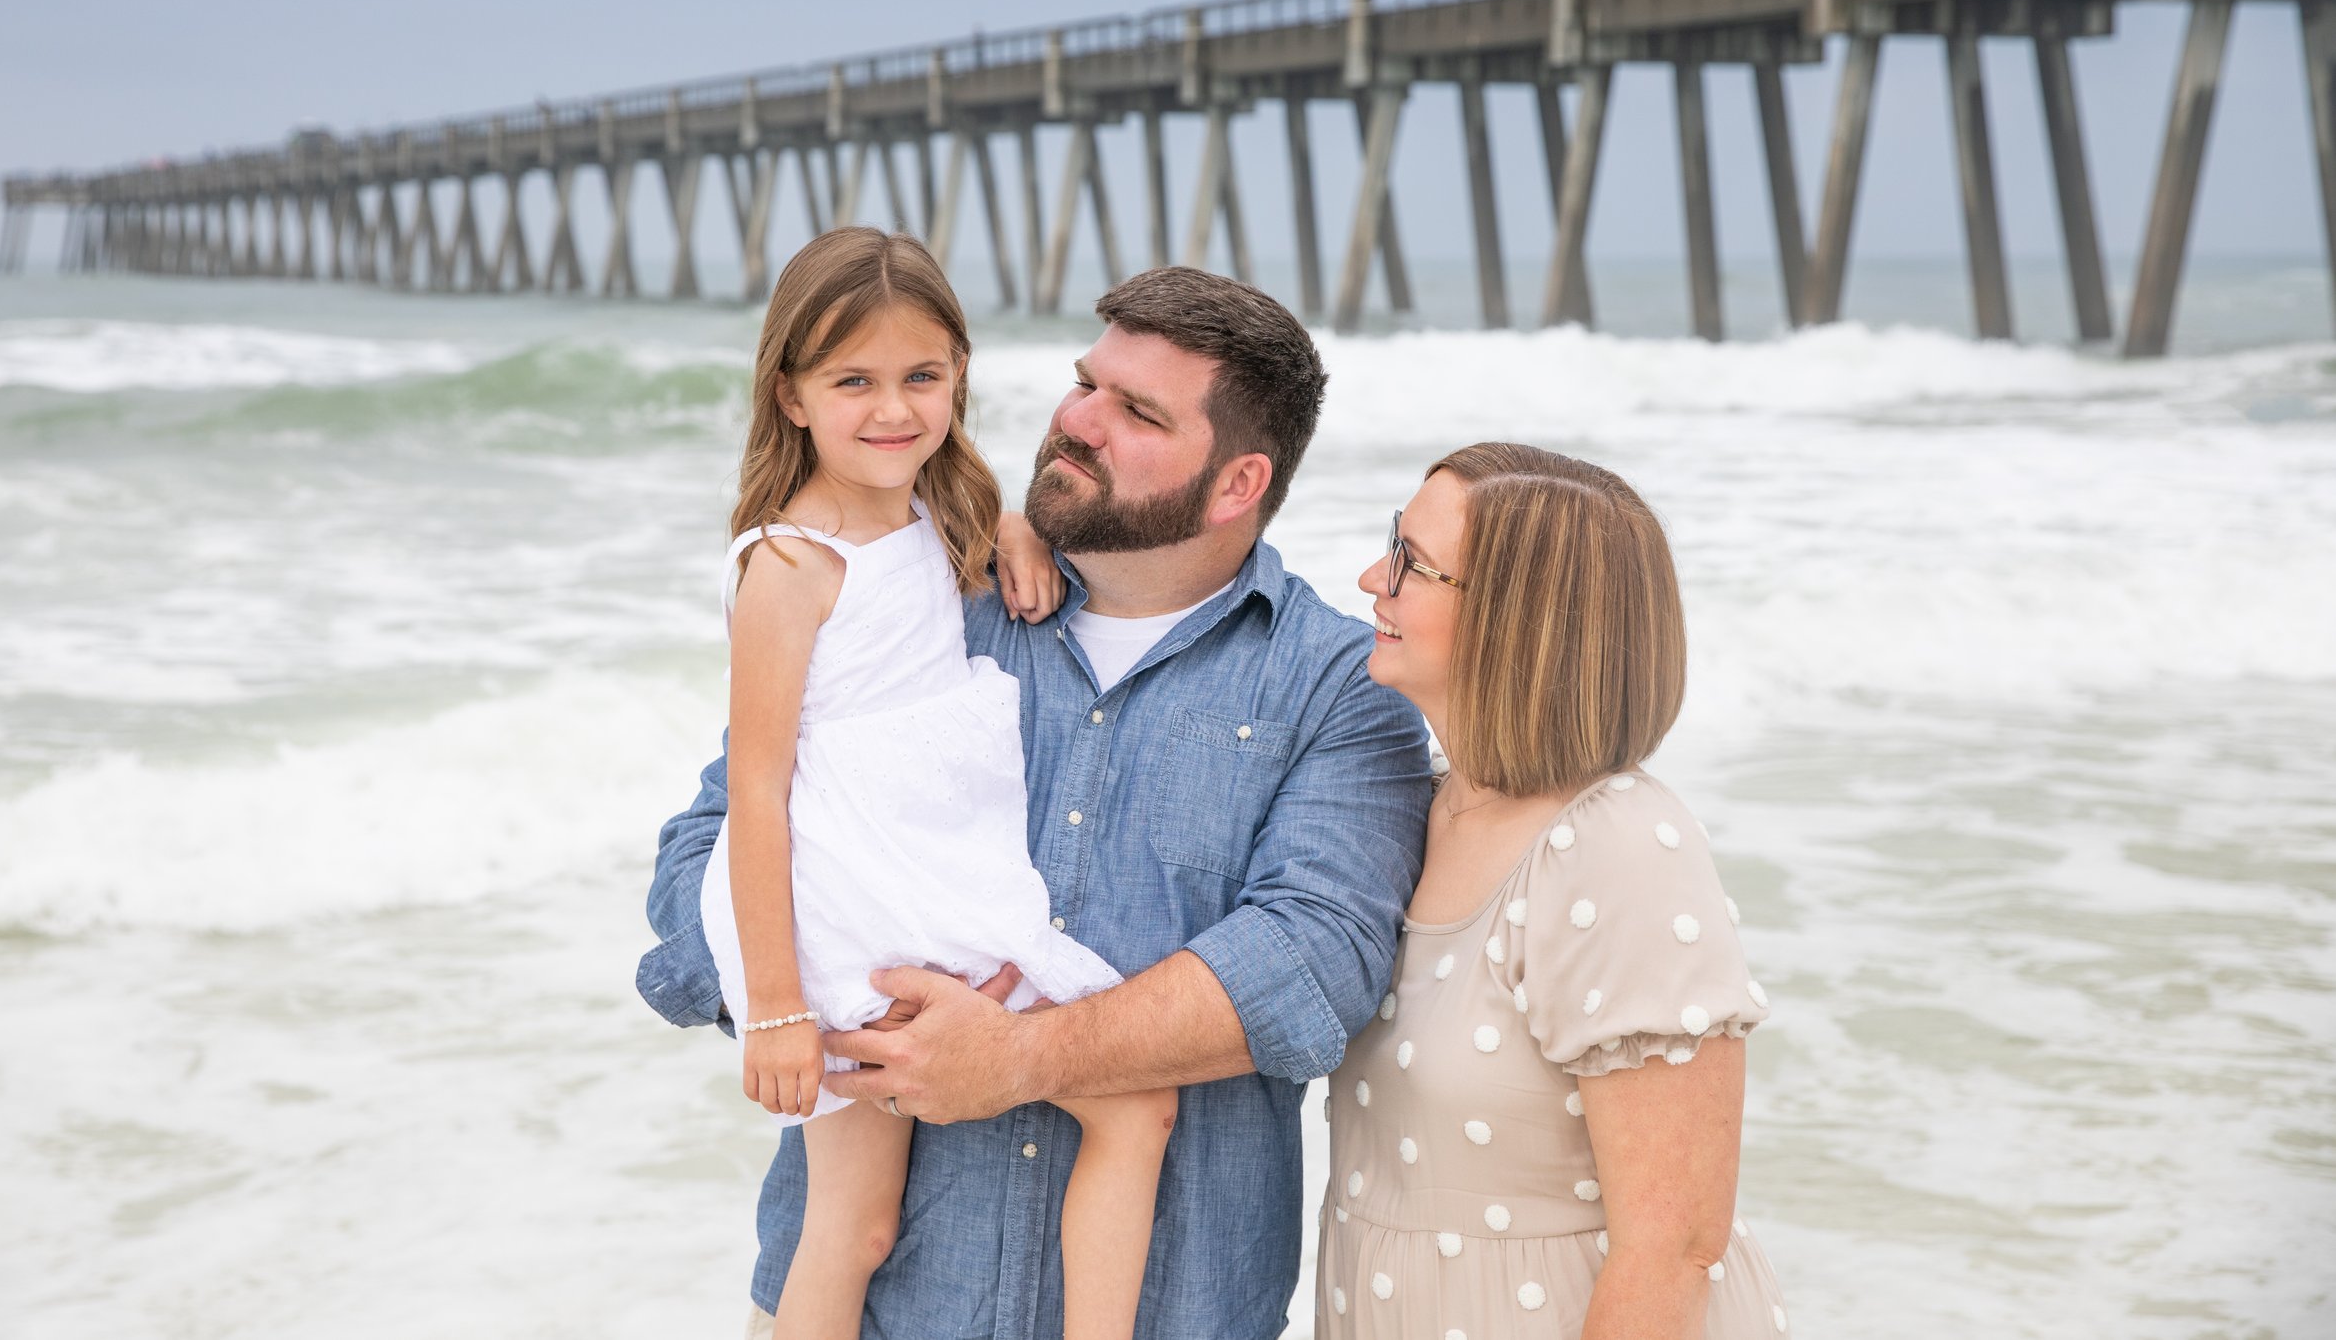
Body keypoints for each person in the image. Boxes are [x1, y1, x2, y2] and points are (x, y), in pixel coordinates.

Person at [639, 265, 1431, 1340]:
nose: (1077, 421)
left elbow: (1311, 962)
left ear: (1238, 480)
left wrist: (1024, 1057)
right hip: (879, 1301)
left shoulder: (1336, 683)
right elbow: (706, 845)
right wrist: (818, 997)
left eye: (1136, 410)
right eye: (1084, 382)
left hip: (1170, 1310)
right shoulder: (931, 586)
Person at [693, 227, 1176, 1340]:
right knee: (864, 1218)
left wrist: (1008, 523)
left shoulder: (934, 508)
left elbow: (941, 547)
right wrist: (774, 1011)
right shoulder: (787, 565)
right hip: (858, 893)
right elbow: (755, 793)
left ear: (959, 372)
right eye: (851, 380)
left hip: (932, 860)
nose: (893, 408)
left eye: (922, 376)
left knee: (862, 1225)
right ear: (791, 395)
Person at [1317, 443, 1787, 1338]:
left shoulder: (1613, 845)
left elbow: (1677, 1243)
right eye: (1393, 542)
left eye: (1412, 562)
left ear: (1515, 620)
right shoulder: (1414, 803)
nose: (1375, 575)